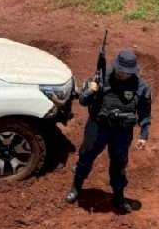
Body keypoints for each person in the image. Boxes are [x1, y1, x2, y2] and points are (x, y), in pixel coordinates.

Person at [65, 49, 152, 213]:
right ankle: (76, 187)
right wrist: (90, 90)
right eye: (120, 70)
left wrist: (144, 134)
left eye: (126, 72)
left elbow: (145, 113)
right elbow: (83, 100)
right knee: (86, 155)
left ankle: (118, 196)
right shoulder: (101, 78)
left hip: (122, 131)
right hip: (98, 126)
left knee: (119, 164)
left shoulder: (141, 87)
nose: (122, 74)